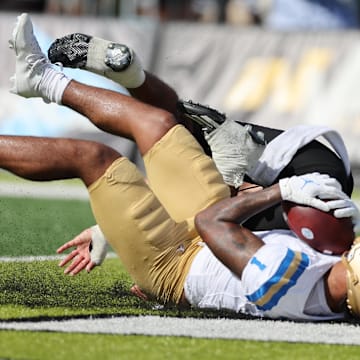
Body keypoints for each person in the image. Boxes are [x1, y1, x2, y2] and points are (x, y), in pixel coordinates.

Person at [8, 13, 360, 321]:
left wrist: (281, 190)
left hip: (172, 264)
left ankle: (129, 78)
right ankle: (41, 78)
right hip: (213, 228)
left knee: (93, 158)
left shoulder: (290, 285)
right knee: (156, 123)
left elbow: (213, 223)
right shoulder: (332, 262)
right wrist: (107, 229)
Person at [47, 30, 354, 231]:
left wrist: (106, 232)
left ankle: (132, 75)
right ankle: (50, 83)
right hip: (302, 201)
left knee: (179, 127)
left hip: (317, 163)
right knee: (206, 214)